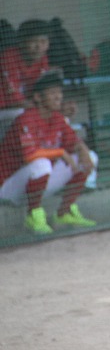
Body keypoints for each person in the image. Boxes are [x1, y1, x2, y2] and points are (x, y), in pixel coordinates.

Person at [0, 70, 98, 235]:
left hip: (36, 186)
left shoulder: (57, 118)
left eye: (59, 92)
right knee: (42, 164)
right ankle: (33, 216)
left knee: (90, 158)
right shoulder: (26, 119)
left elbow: (74, 142)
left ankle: (64, 213)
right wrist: (60, 152)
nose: (58, 96)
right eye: (52, 93)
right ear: (38, 97)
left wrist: (83, 149)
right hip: (8, 187)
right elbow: (29, 156)